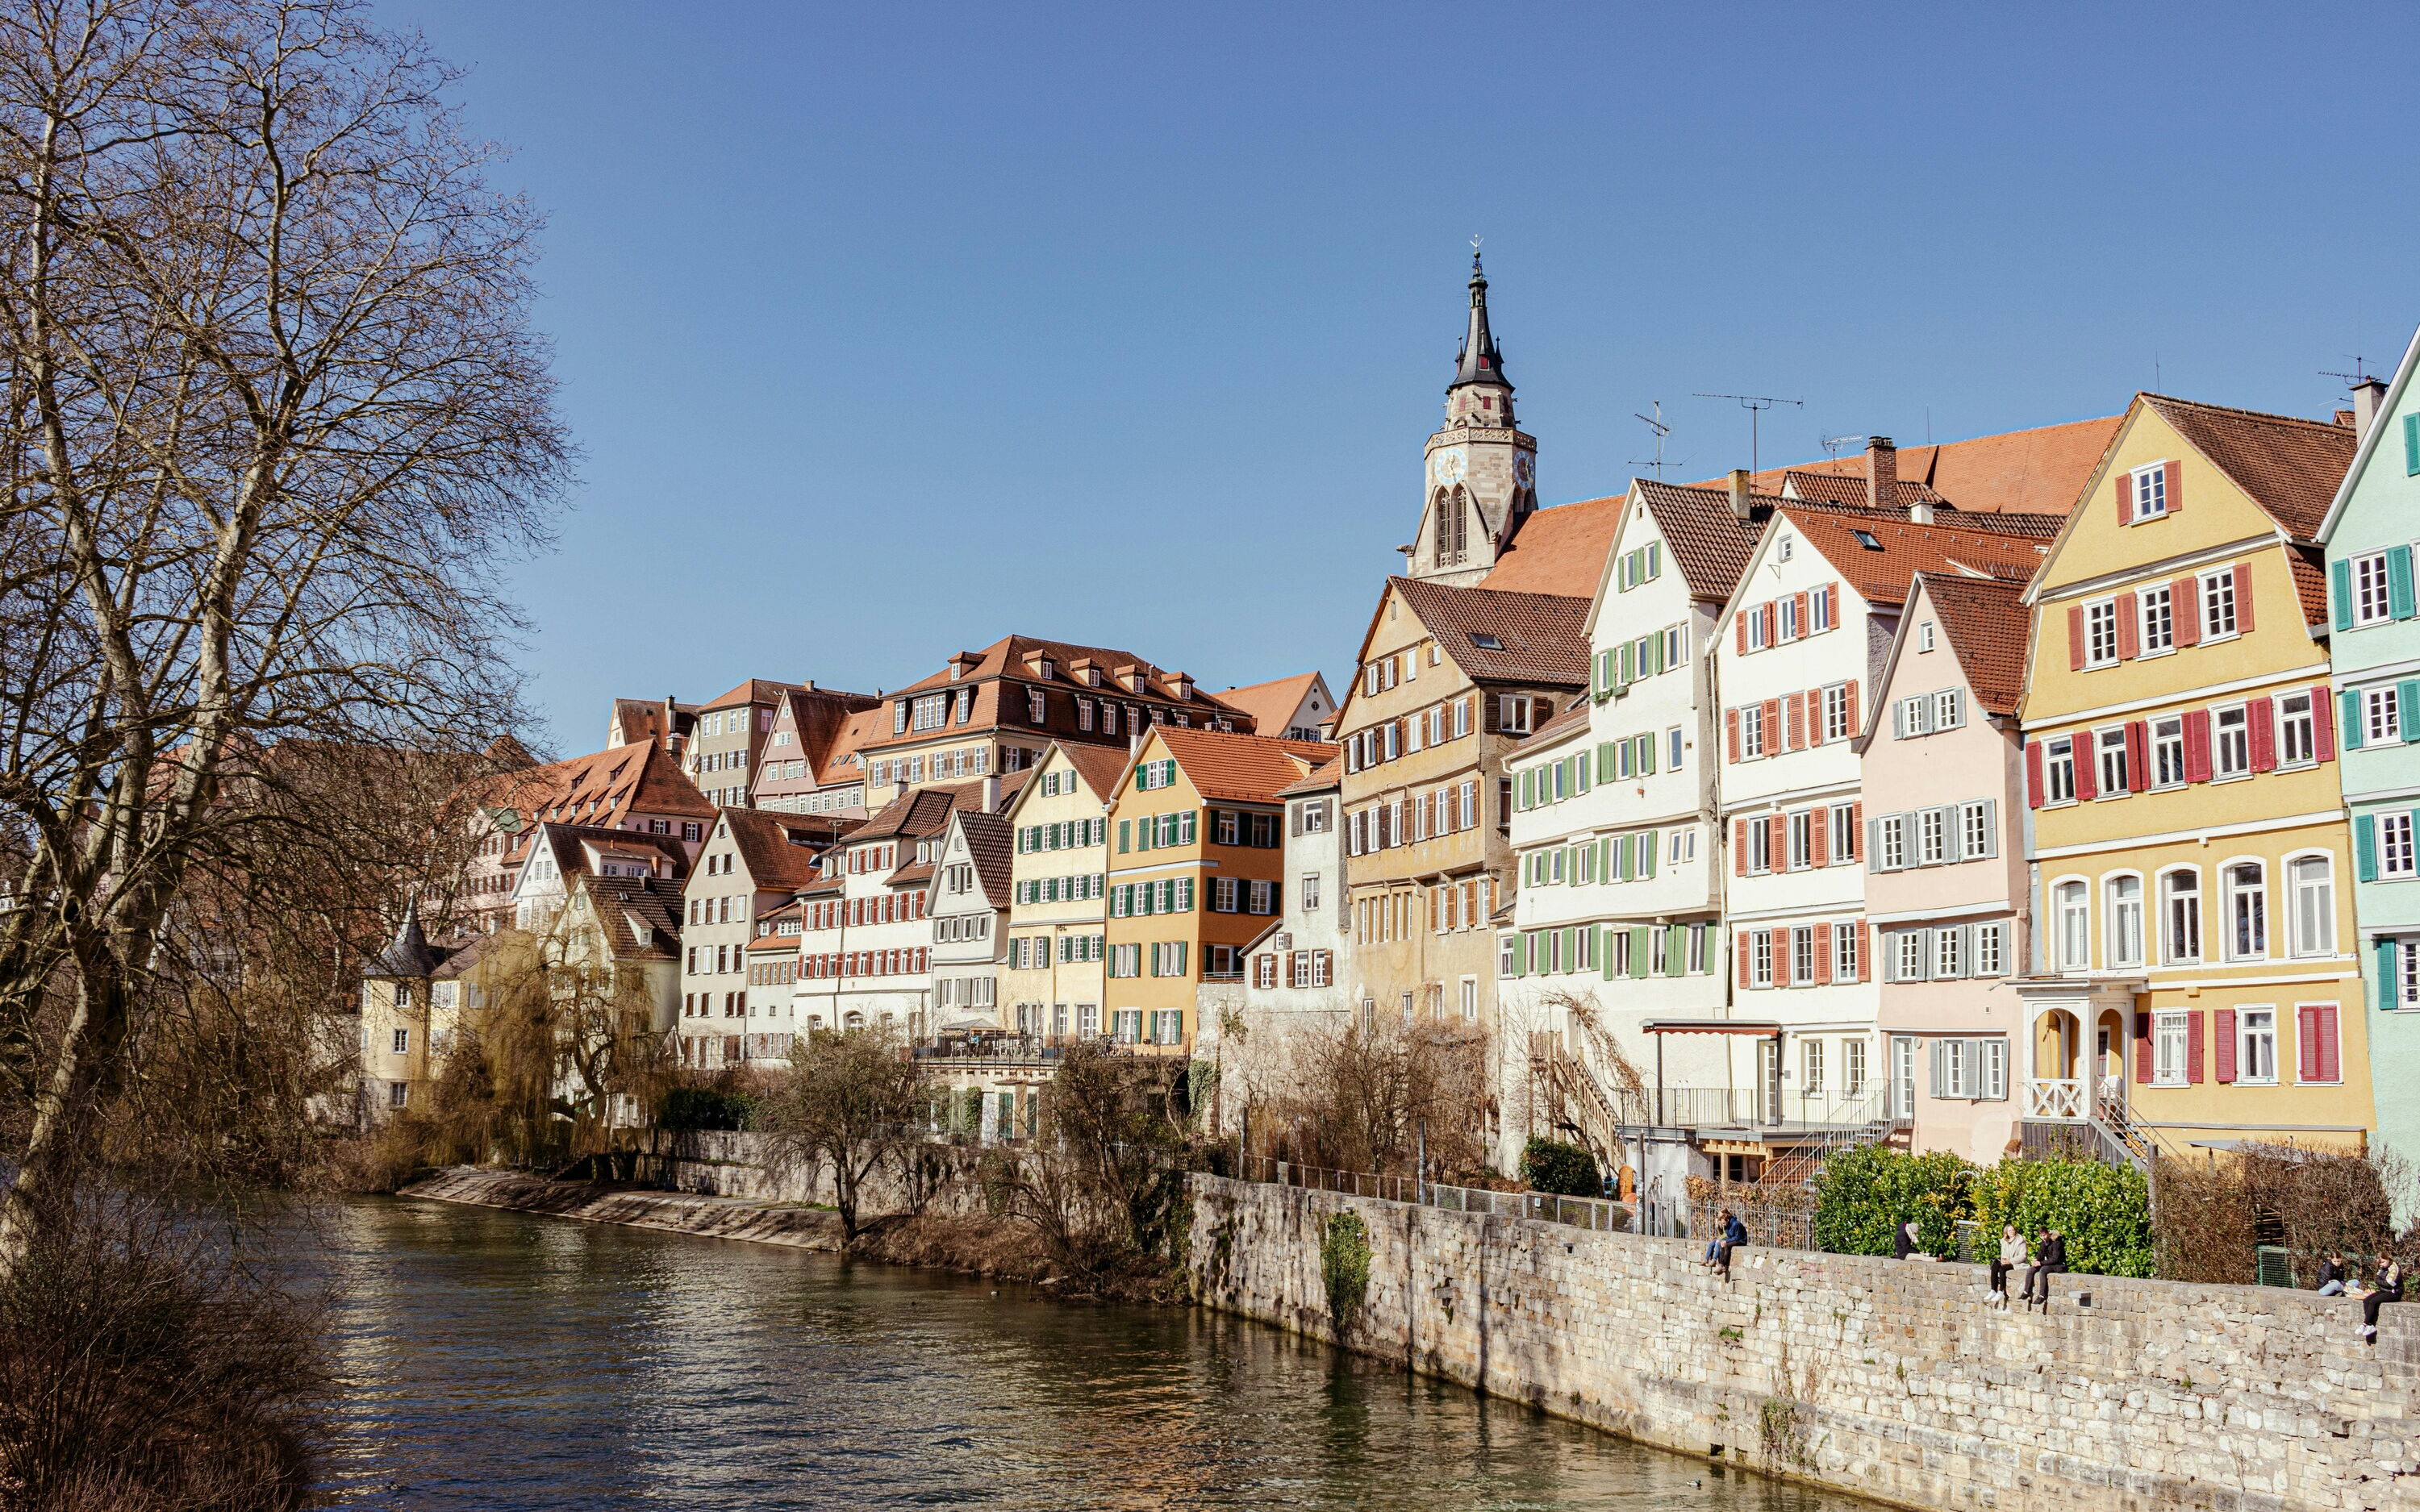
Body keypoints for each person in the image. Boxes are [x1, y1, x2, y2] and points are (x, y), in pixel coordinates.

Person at [2360, 1258, 2404, 1343]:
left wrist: (2380, 1281)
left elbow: (2389, 1283)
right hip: (2384, 1291)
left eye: (2383, 1262)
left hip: (2395, 1293)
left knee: (2373, 1302)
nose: (2381, 1265)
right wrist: (2381, 1281)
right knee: (2366, 1301)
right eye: (2380, 1263)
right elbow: (2377, 1280)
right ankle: (2370, 1326)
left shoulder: (2395, 1268)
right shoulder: (2382, 1269)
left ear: (2388, 1259)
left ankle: (2365, 1324)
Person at [2024, 1227, 2066, 1309]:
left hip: (2059, 1265)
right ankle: (2026, 1291)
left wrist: (2041, 1263)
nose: (2043, 1237)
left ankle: (2042, 1295)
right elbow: (2041, 1254)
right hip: (2048, 1263)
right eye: (2041, 1236)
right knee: (2031, 1269)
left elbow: (2055, 1259)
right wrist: (2036, 1260)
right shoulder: (2044, 1243)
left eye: (2044, 1235)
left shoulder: (2056, 1242)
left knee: (2043, 1270)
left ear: (2048, 1233)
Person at [1988, 1225, 2027, 1307]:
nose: (2012, 1232)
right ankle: (1993, 1290)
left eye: (2013, 1230)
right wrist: (2004, 1260)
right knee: (1995, 1266)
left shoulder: (2020, 1241)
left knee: (2003, 1269)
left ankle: (2001, 1291)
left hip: (2017, 1263)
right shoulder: (2004, 1241)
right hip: (2007, 1261)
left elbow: (2023, 1256)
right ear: (2006, 1232)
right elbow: (2004, 1254)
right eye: (2010, 1231)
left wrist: (2010, 1261)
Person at [1714, 1210, 1749, 1281]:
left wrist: (1726, 1241)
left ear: (1728, 1220)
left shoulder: (1736, 1224)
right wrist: (1725, 1240)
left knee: (1727, 1246)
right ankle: (1721, 1265)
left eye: (1724, 1223)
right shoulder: (1727, 1225)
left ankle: (1724, 1265)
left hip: (1741, 1240)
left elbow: (1738, 1237)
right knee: (1722, 1245)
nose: (1723, 1225)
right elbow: (1728, 1235)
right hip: (1733, 1239)